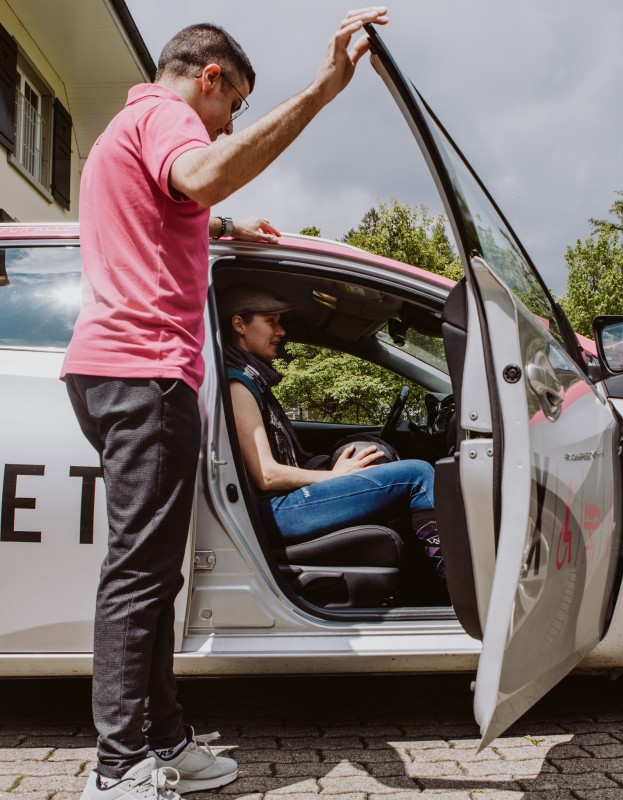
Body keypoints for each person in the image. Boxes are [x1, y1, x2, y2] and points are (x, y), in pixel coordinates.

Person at [61, 9, 389, 800]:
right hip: (143, 375)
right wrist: (322, 91)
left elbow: (176, 204)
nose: (228, 124)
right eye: (234, 106)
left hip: (121, 373)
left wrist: (228, 226)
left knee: (156, 575)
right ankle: (117, 770)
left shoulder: (125, 132)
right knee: (139, 576)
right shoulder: (168, 116)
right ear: (211, 79)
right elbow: (202, 172)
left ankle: (165, 741)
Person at [221, 284, 445, 571]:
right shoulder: (238, 383)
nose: (281, 331)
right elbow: (266, 475)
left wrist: (328, 466)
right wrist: (333, 475)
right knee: (418, 475)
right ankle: (455, 583)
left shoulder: (251, 378)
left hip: (278, 506)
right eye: (271, 322)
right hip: (276, 511)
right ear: (239, 324)